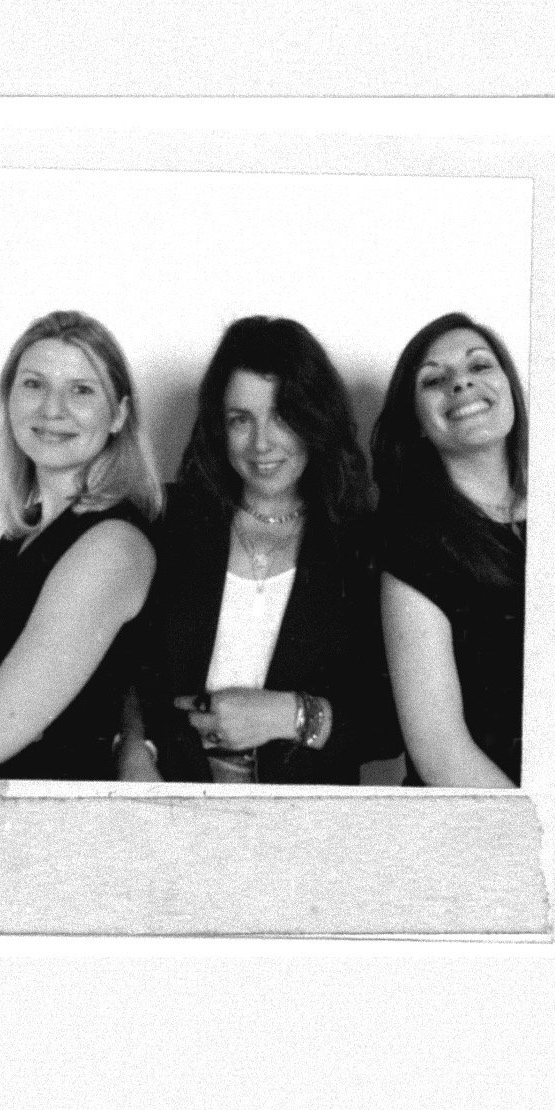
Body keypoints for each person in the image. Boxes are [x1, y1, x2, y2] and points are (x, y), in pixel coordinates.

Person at [120, 318, 393, 784]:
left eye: (283, 416)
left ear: (316, 418)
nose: (261, 443)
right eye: (240, 419)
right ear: (217, 426)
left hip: (304, 826)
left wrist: (288, 715)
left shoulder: (363, 540)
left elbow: (391, 725)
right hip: (169, 804)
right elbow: (123, 665)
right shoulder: (168, 519)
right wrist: (131, 751)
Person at [0, 311, 160, 778]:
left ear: (118, 414)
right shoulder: (29, 526)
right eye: (34, 384)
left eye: (81, 389)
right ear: (8, 399)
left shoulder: (111, 546)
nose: (52, 410)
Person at [373, 313, 526, 786]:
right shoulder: (412, 551)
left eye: (480, 366)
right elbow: (440, 752)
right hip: (490, 825)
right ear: (417, 422)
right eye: (435, 380)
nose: (462, 384)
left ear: (510, 389)